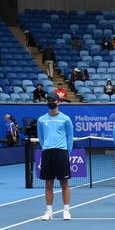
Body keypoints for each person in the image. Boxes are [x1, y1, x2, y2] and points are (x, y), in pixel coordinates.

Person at [37, 93, 74, 221]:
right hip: (47, 152)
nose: (51, 102)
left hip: (61, 153)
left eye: (53, 100)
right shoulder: (41, 120)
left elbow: (70, 137)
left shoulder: (66, 119)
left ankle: (66, 210)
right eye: (49, 100)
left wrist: (67, 152)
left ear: (58, 102)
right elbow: (41, 138)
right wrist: (46, 147)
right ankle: (49, 211)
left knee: (64, 183)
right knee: (48, 183)